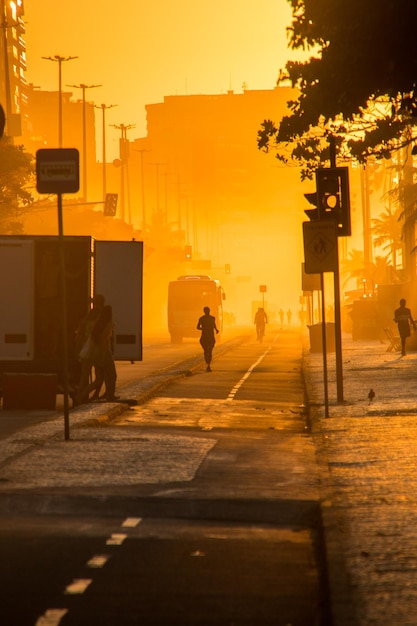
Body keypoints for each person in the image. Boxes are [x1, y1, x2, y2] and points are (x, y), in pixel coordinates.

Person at [74, 294, 105, 404]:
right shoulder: (101, 315)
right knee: (100, 377)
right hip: (95, 350)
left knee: (84, 375)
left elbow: (80, 333)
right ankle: (81, 396)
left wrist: (78, 348)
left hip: (86, 349)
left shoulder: (90, 315)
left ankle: (82, 396)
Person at [197, 306, 219, 372]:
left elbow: (198, 327)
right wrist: (216, 330)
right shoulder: (212, 318)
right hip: (209, 336)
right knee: (209, 351)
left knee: (207, 350)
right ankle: (208, 364)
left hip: (205, 336)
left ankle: (208, 364)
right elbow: (214, 325)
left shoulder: (202, 318)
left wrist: (203, 329)